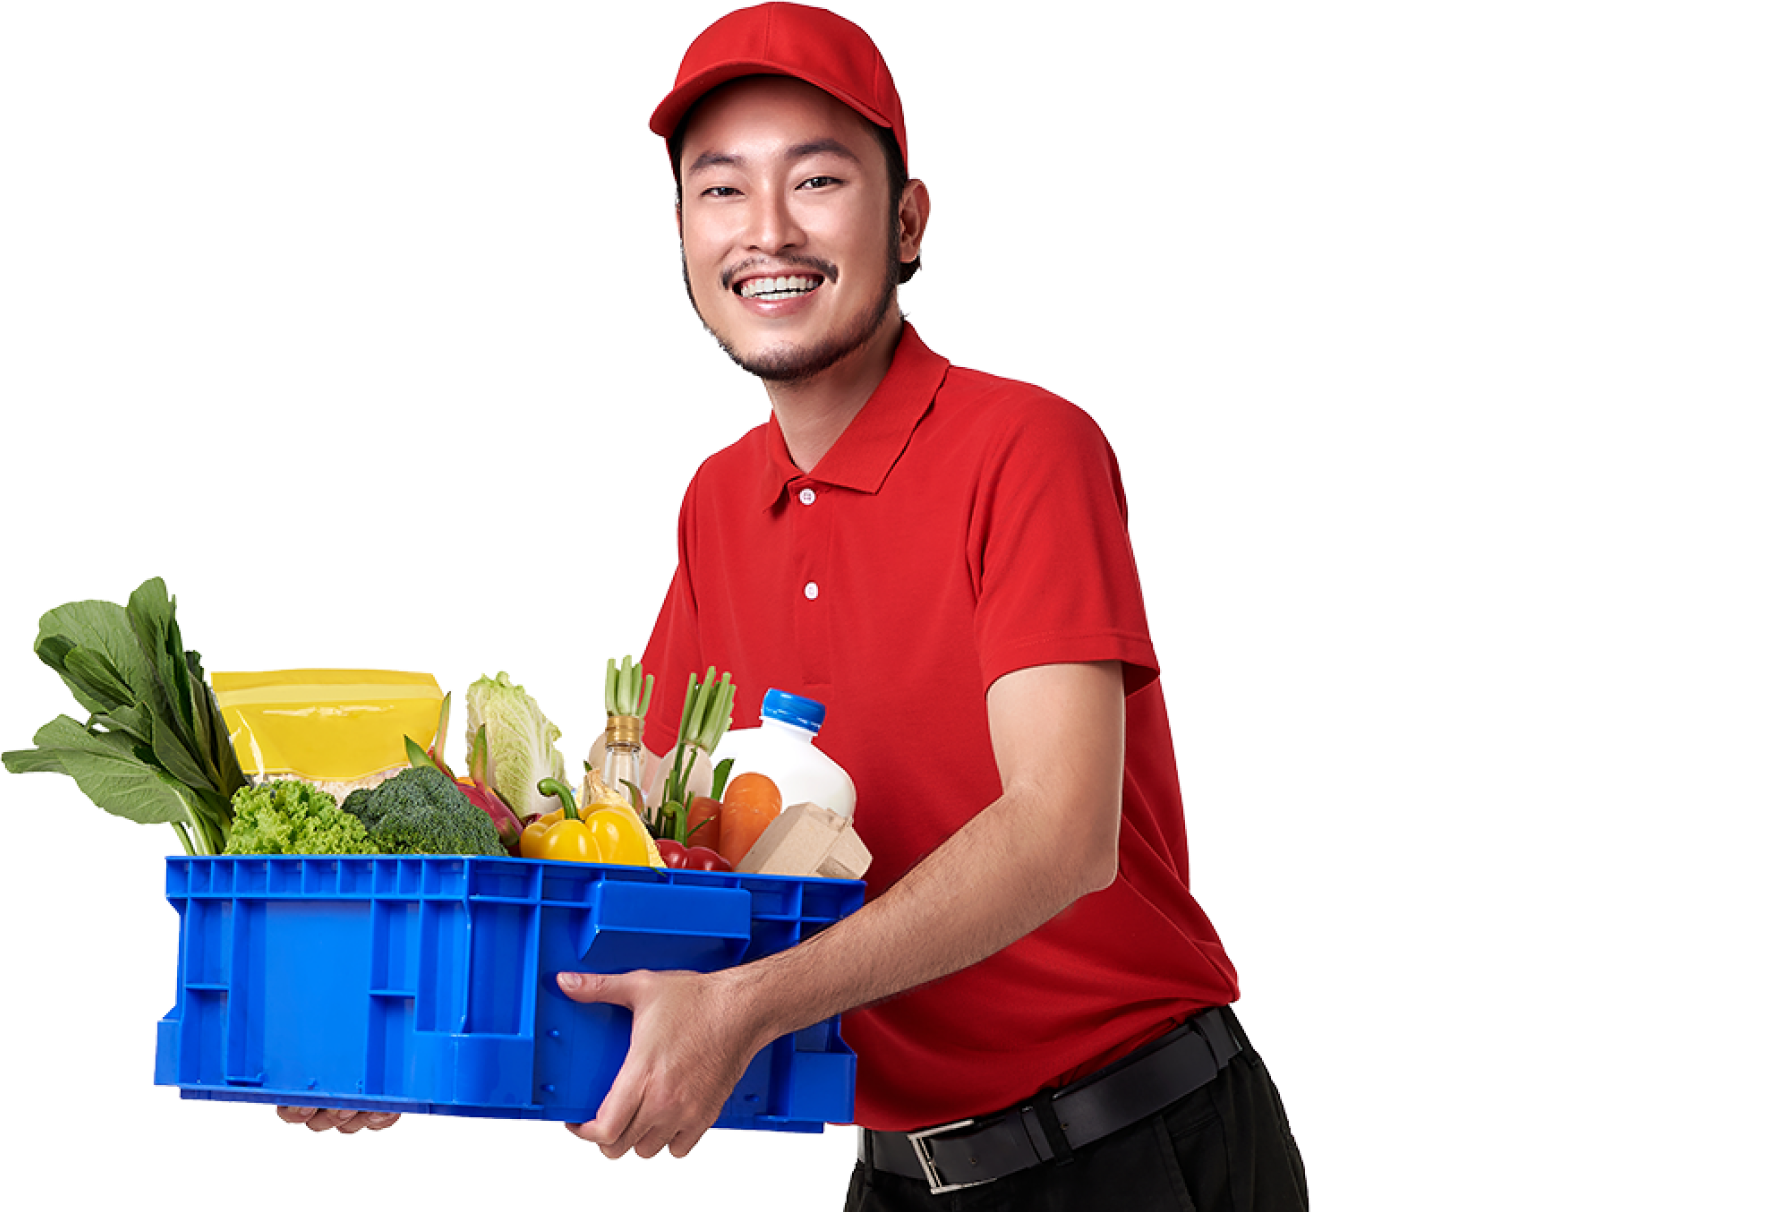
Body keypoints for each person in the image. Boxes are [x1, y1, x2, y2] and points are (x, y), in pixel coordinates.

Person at [289, 5, 1308, 1207]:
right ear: (681, 234)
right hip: (895, 1173)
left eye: (817, 179)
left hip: (1133, 1148)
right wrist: (409, 1045)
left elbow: (1061, 830)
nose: (767, 230)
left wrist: (748, 1008)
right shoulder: (718, 503)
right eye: (720, 190)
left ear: (909, 217)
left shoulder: (1028, 446)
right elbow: (644, 846)